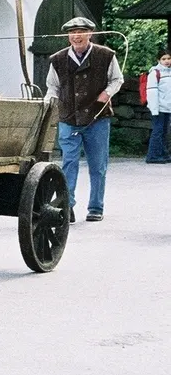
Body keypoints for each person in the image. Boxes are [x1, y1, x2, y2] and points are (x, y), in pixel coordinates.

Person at [44, 16, 122, 223]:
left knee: (98, 165)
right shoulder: (58, 59)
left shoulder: (105, 55)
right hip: (68, 118)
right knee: (69, 162)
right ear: (67, 35)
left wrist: (105, 96)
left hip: (98, 117)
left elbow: (117, 79)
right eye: (72, 32)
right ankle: (66, 206)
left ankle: (96, 207)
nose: (76, 36)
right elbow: (53, 87)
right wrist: (49, 106)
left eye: (81, 31)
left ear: (90, 34)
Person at [144, 49, 171, 164]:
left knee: (165, 131)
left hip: (168, 107)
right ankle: (152, 156)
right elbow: (152, 92)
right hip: (158, 108)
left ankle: (163, 154)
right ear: (158, 60)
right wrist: (154, 109)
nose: (167, 61)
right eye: (164, 59)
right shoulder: (155, 73)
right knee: (157, 131)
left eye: (169, 58)